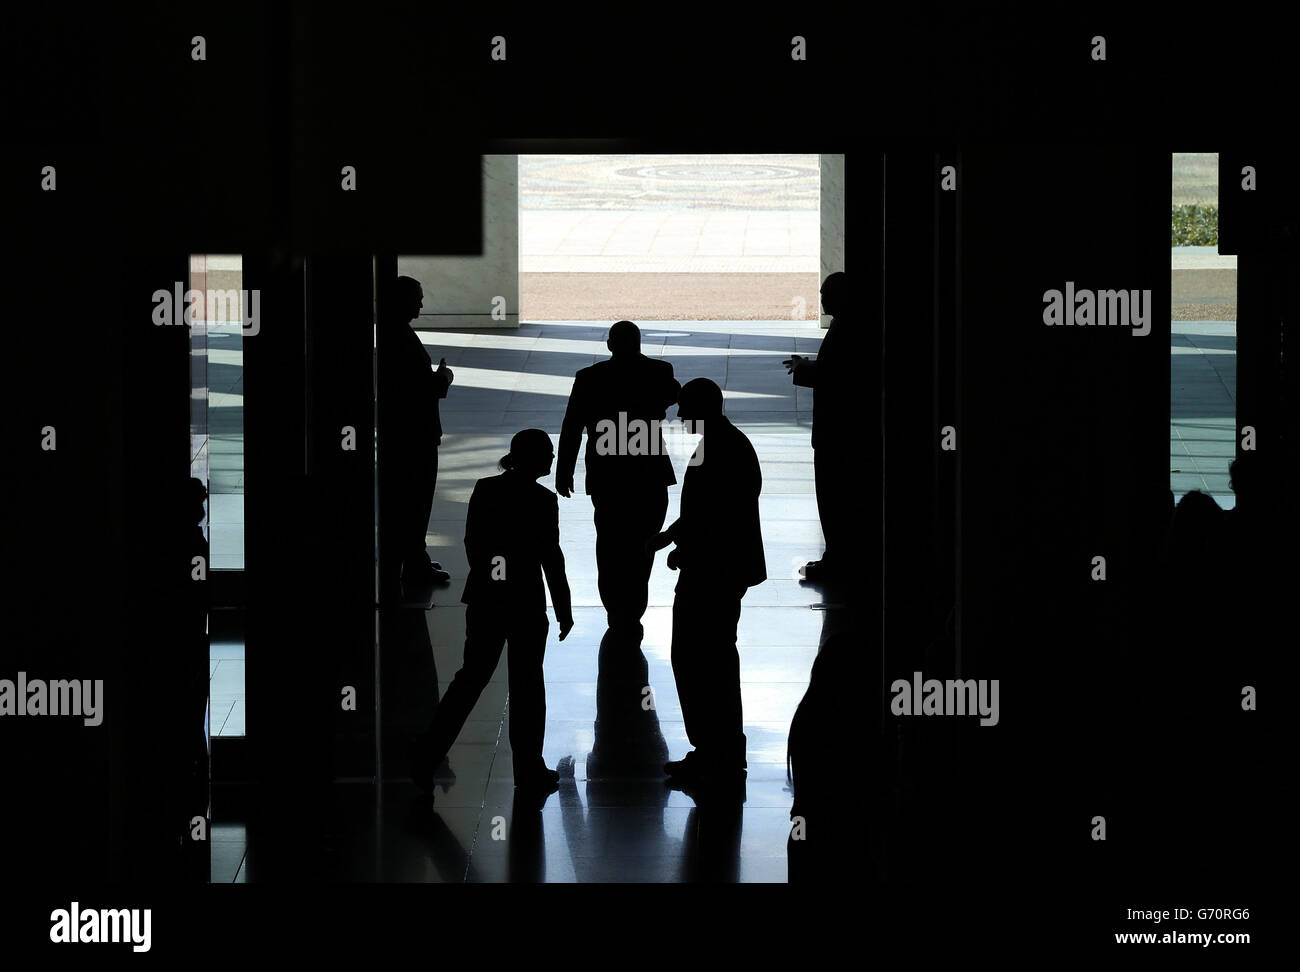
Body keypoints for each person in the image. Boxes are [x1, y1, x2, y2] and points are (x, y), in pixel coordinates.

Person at [411, 429, 574, 793]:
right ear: (533, 458)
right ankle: (529, 767)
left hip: (487, 599)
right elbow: (551, 557)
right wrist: (562, 605)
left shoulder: (486, 489)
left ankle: (428, 753)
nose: (552, 458)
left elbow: (474, 543)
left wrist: (490, 579)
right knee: (528, 684)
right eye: (548, 453)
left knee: (471, 678)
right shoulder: (542, 500)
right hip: (527, 603)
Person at [649, 378, 766, 785]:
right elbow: (715, 512)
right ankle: (721, 749)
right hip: (723, 569)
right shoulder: (730, 444)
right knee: (713, 658)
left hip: (711, 572)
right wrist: (672, 538)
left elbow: (711, 516)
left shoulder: (716, 449)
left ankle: (714, 749)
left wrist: (680, 545)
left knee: (696, 656)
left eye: (684, 409)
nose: (679, 418)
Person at [557, 321, 680, 637]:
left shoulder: (589, 378)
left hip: (608, 474)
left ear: (610, 345)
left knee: (611, 545)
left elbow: (572, 427)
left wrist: (564, 470)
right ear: (638, 344)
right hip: (649, 473)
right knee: (643, 545)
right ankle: (632, 608)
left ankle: (616, 608)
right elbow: (673, 397)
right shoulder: (660, 371)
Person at [378, 275, 454, 602]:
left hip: (404, 433)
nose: (421, 304)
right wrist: (443, 379)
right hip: (416, 435)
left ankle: (413, 560)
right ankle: (413, 563)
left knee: (409, 501)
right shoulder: (401, 338)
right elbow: (422, 390)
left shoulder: (394, 335)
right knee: (416, 501)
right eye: (417, 298)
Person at [782, 272, 858, 584]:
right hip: (840, 431)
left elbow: (833, 377)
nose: (822, 299)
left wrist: (804, 369)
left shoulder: (844, 330)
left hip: (834, 432)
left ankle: (836, 560)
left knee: (833, 498)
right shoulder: (850, 327)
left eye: (826, 293)